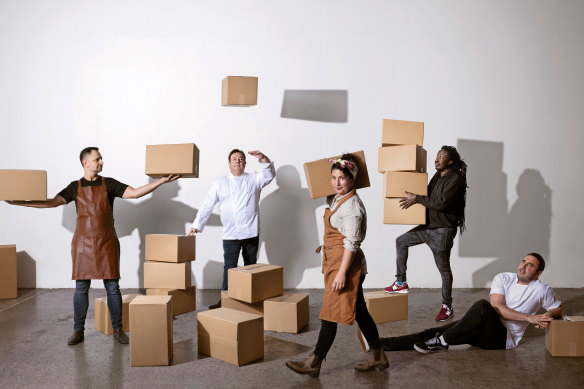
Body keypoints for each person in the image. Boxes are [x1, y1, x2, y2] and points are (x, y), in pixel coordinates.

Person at [6, 147, 178, 345]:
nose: (102, 162)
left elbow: (135, 194)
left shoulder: (110, 184)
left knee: (112, 287)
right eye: (98, 159)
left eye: (101, 159)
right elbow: (52, 202)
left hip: (106, 242)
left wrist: (162, 181)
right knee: (81, 288)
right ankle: (78, 331)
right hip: (83, 244)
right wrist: (21, 202)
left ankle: (118, 329)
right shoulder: (74, 187)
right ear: (85, 163)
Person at [286, 154, 388, 378]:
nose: (337, 182)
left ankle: (314, 362)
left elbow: (352, 242)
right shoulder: (338, 199)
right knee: (360, 311)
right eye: (333, 178)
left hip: (346, 267)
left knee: (329, 314)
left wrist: (342, 274)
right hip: (337, 264)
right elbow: (328, 193)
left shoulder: (352, 207)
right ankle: (379, 355)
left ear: (353, 180)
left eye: (342, 178)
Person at [378, 253, 562, 353]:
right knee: (431, 333)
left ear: (538, 273)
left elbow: (557, 309)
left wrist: (547, 315)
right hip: (483, 329)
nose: (523, 266)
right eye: (523, 261)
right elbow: (497, 308)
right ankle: (381, 343)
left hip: (502, 339)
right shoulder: (504, 278)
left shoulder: (541, 289)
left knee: (481, 306)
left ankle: (442, 342)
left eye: (530, 265)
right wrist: (530, 318)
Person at [384, 145, 468, 321]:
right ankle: (401, 282)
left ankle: (447, 306)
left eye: (441, 157)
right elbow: (427, 194)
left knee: (444, 270)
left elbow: (441, 203)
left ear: (450, 161)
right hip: (428, 227)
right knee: (401, 241)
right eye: (437, 156)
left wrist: (417, 199)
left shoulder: (455, 179)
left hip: (442, 231)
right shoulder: (438, 176)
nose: (437, 159)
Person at [188, 149, 275, 309]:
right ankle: (225, 301)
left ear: (245, 163)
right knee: (230, 267)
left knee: (251, 266)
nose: (238, 161)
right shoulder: (220, 183)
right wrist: (197, 224)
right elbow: (208, 204)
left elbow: (269, 175)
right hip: (230, 234)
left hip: (251, 231)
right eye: (234, 159)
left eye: (241, 159)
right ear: (229, 163)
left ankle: (251, 300)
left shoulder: (254, 179)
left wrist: (263, 158)